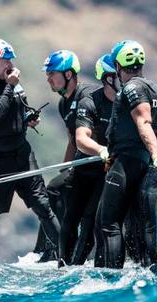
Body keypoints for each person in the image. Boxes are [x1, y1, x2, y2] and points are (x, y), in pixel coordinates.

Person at [0, 37, 60, 264]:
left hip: (22, 155)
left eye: (10, 59)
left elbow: (19, 108)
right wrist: (10, 85)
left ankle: (66, 257)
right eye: (3, 60)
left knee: (44, 208)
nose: (9, 64)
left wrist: (29, 118)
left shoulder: (14, 84)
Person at [94, 40, 157, 269]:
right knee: (106, 221)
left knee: (108, 224)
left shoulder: (132, 88)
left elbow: (144, 121)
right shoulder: (156, 89)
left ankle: (109, 278)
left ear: (119, 67)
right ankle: (132, 267)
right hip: (138, 163)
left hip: (128, 163)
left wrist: (156, 154)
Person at [42, 50, 109, 266]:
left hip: (103, 167)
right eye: (47, 74)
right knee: (57, 194)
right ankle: (61, 262)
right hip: (82, 167)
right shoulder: (63, 104)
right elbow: (72, 139)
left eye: (52, 73)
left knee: (89, 219)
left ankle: (79, 263)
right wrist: (65, 169)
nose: (48, 79)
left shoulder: (88, 95)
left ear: (69, 74)